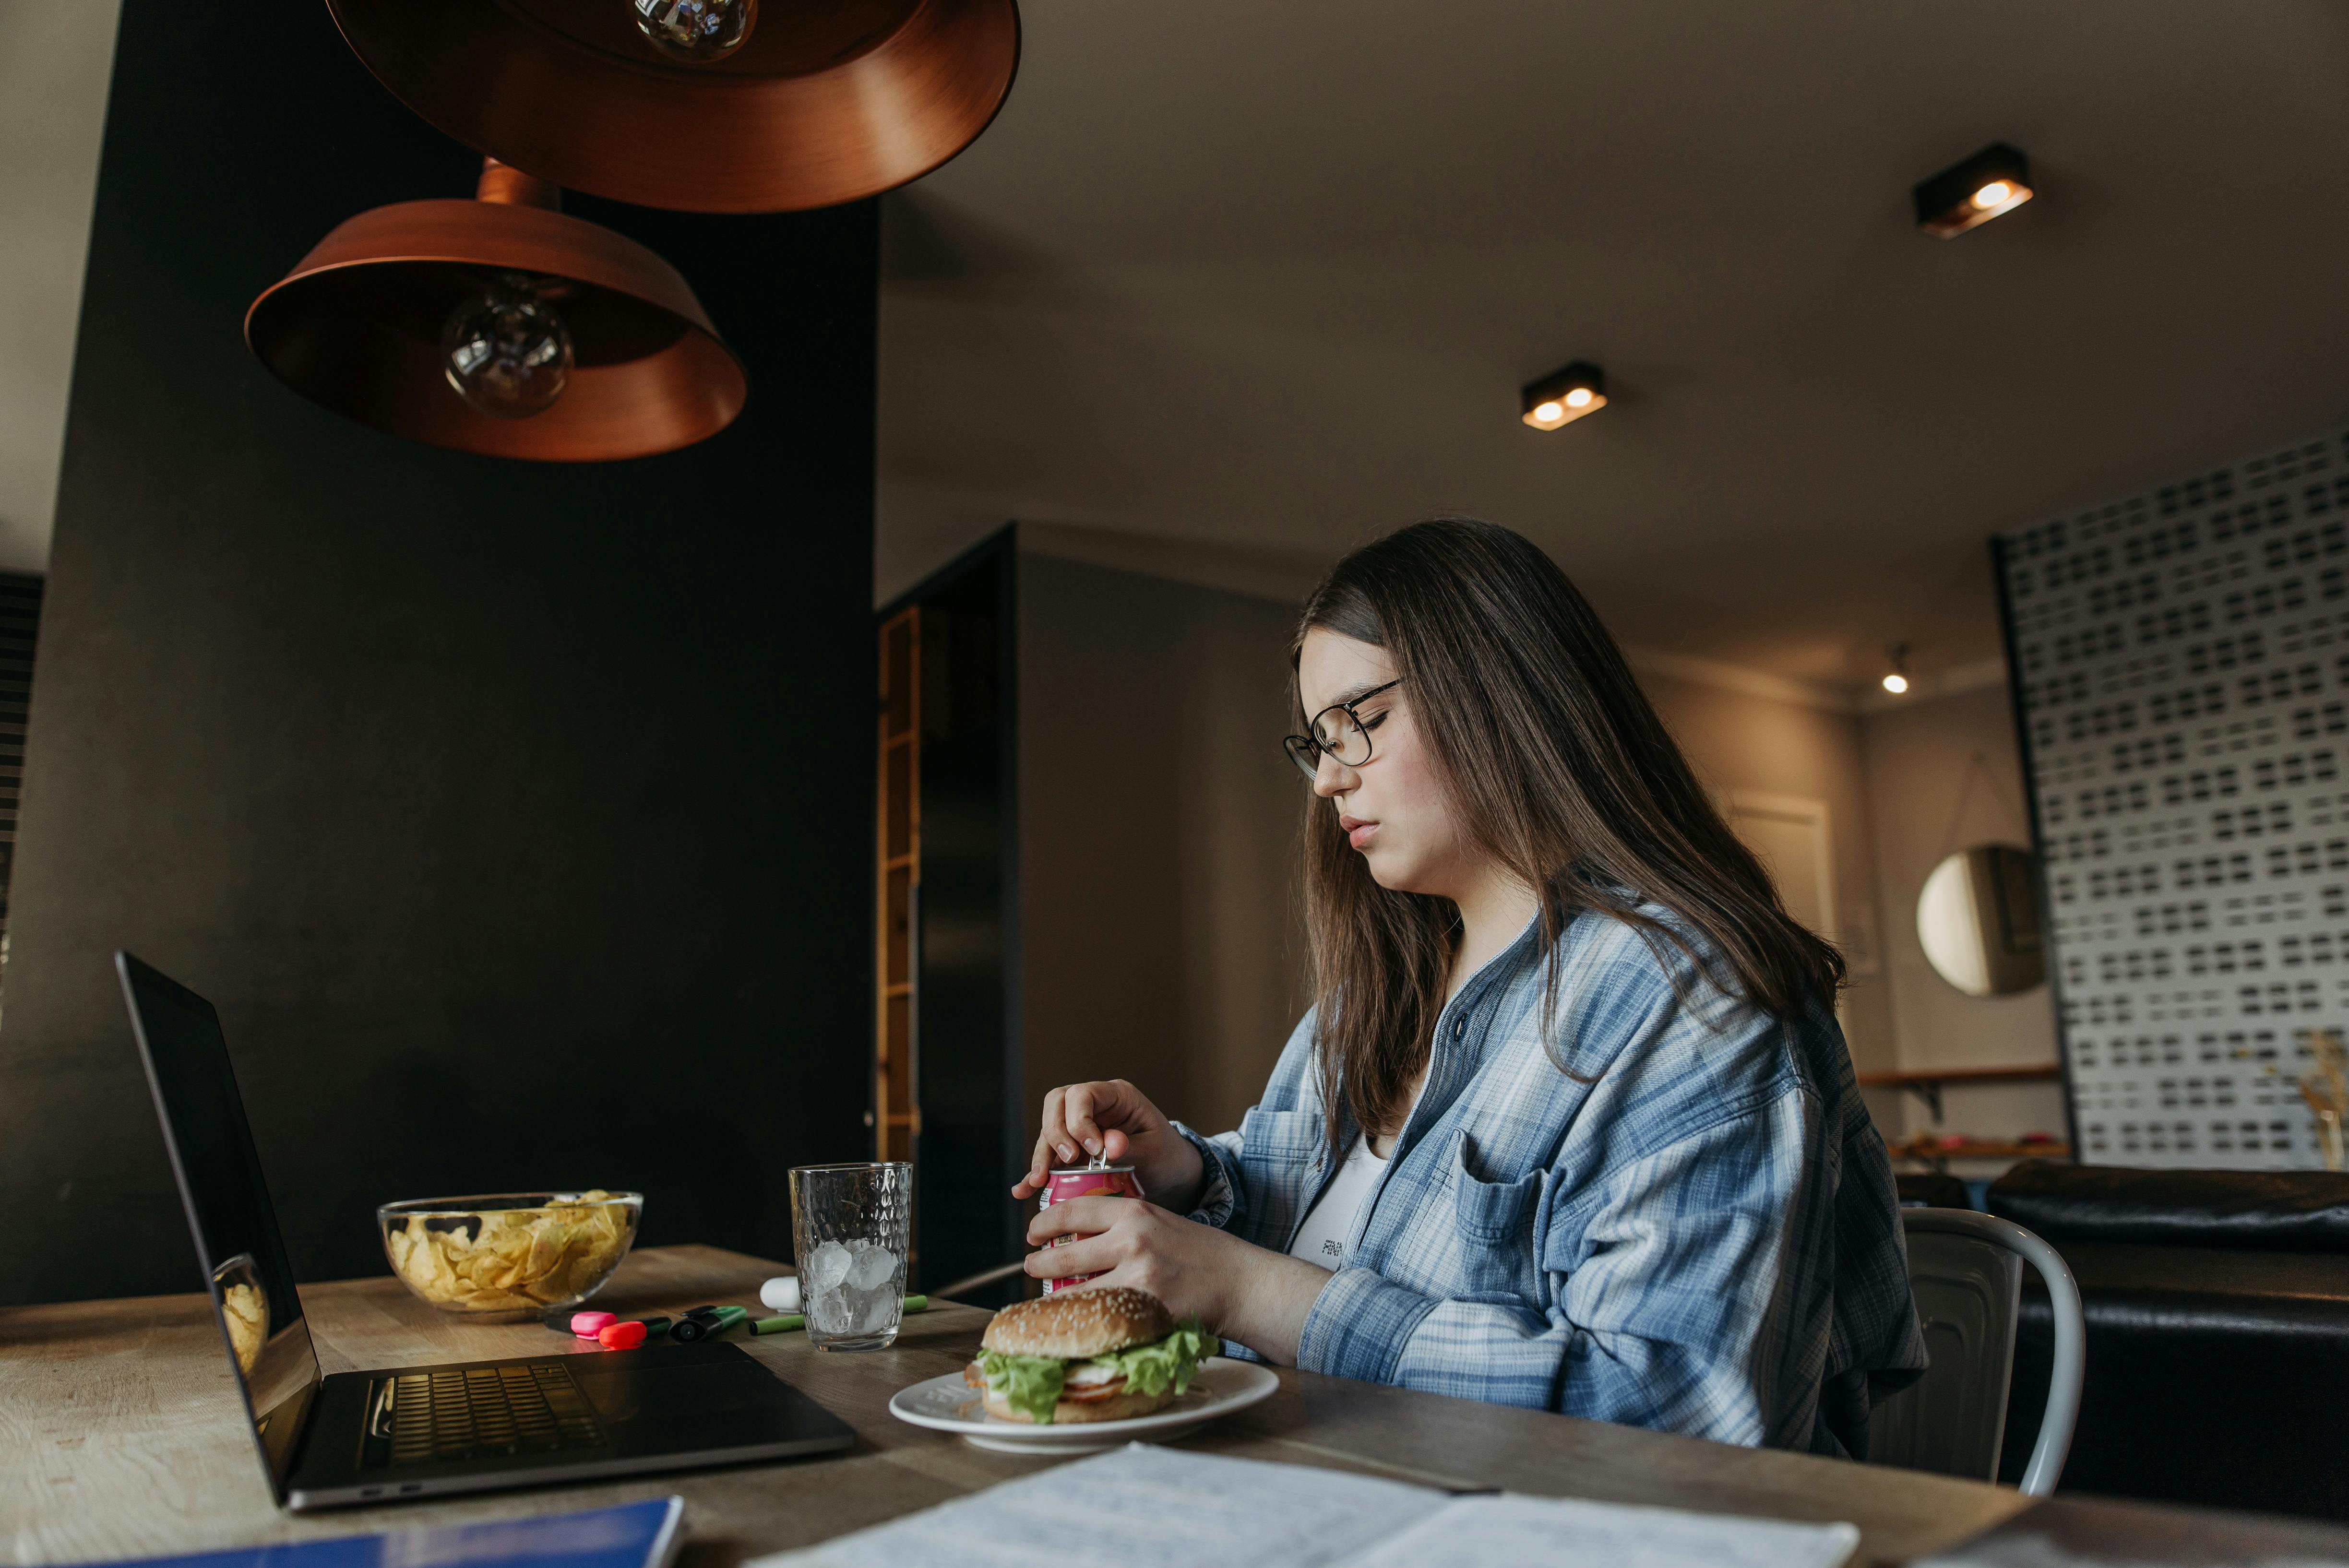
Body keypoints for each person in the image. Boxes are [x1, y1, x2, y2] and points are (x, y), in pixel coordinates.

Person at [1011, 516, 1925, 1457]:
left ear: (1498, 688)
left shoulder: (1693, 1001)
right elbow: (1328, 1222)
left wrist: (1244, 1288)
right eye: (1315, 742)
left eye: (1360, 722)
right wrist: (1195, 1175)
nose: (1327, 780)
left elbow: (1677, 1409)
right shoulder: (1369, 997)